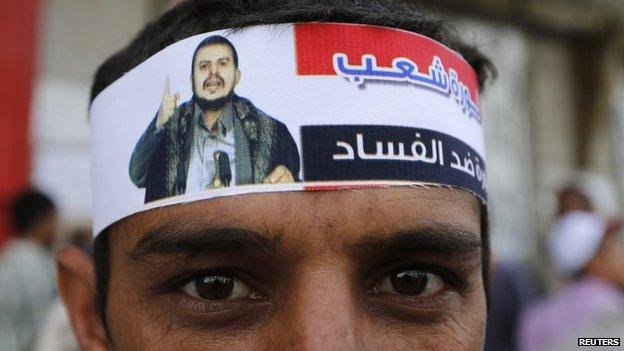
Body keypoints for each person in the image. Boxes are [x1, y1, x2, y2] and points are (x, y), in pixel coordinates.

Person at [57, 0, 497, 350]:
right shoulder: (170, 133)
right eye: (216, 288)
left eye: (412, 283)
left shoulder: (269, 132)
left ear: (486, 297)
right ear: (91, 319)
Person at [129, 35, 300, 203]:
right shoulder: (167, 128)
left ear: (237, 76)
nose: (213, 73)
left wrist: (292, 187)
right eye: (204, 66)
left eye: (223, 64)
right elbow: (138, 175)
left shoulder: (273, 133)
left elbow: (295, 200)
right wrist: (159, 122)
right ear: (192, 80)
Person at [518, 211, 624, 351]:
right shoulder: (610, 306)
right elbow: (604, 342)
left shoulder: (536, 316)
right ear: (594, 260)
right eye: (615, 245)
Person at [0, 189, 58, 351]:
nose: (56, 227)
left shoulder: (8, 257)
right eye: (54, 220)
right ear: (42, 221)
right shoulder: (36, 267)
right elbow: (42, 327)